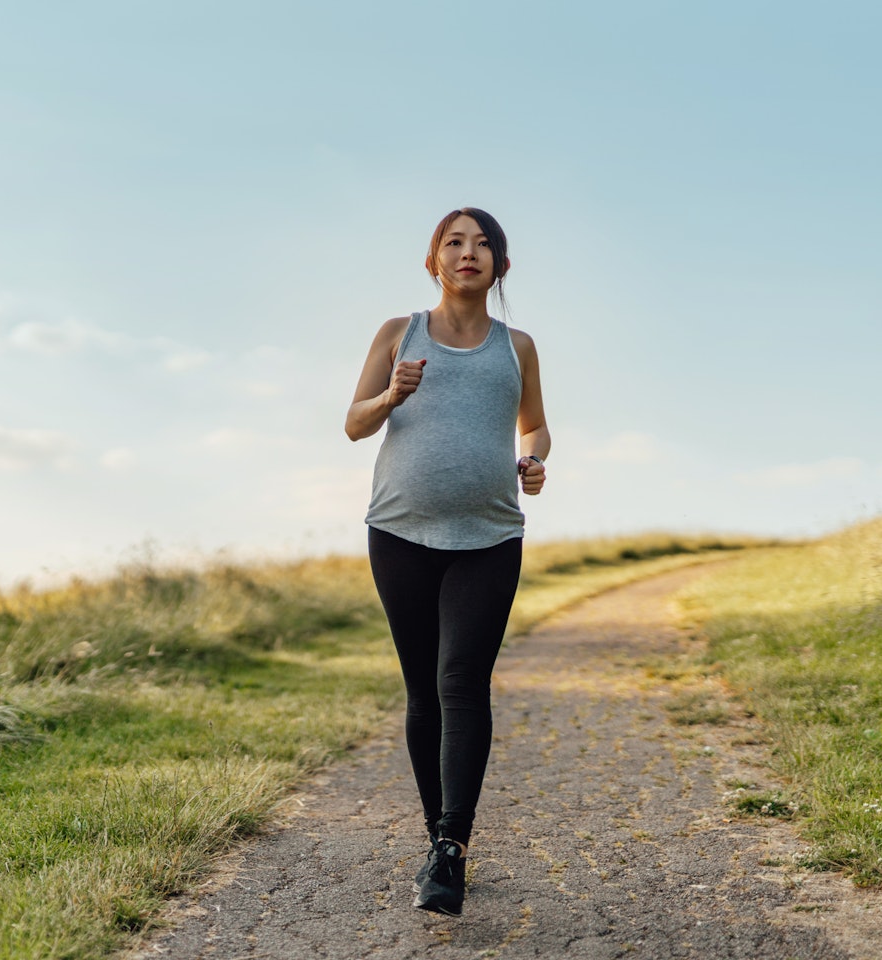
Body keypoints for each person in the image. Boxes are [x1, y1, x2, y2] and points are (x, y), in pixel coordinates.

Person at [344, 207, 549, 917]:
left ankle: (452, 848)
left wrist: (534, 461)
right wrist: (391, 393)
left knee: (463, 680)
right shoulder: (397, 333)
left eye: (483, 243)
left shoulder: (516, 346)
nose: (469, 252)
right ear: (433, 260)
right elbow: (353, 423)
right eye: (454, 243)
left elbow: (537, 424)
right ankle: (439, 836)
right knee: (423, 690)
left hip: (489, 536)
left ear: (502, 265)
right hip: (399, 532)